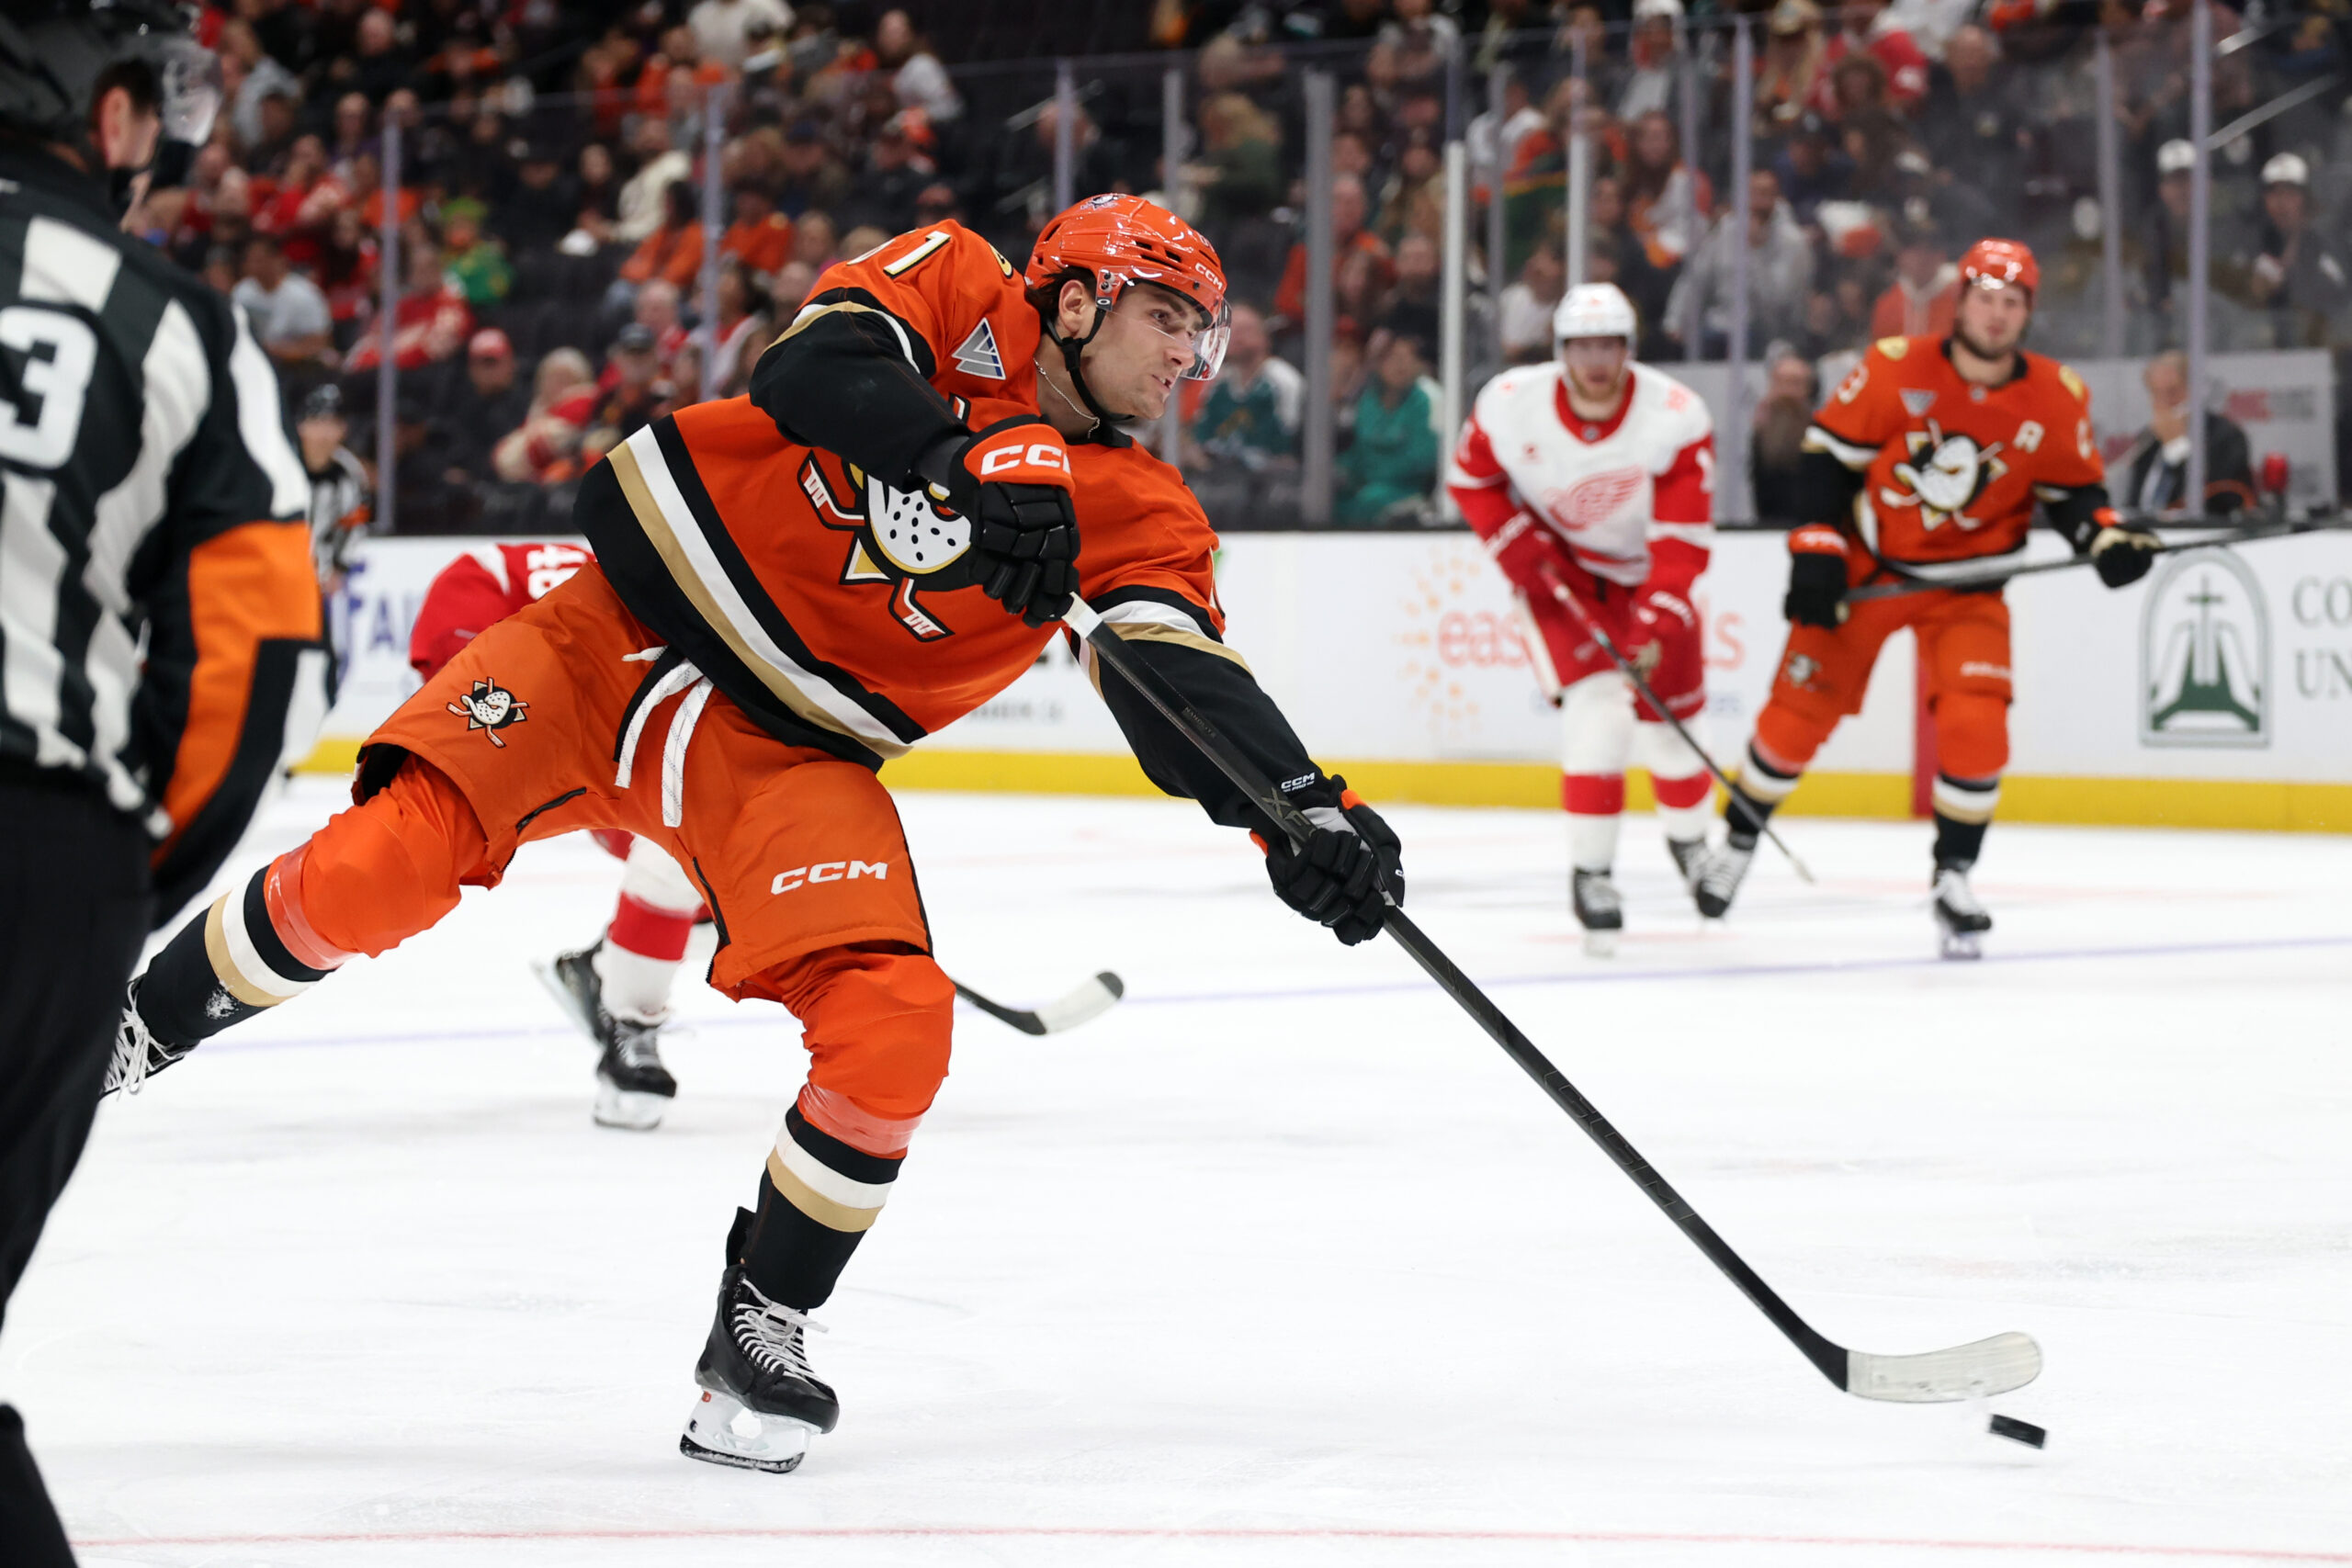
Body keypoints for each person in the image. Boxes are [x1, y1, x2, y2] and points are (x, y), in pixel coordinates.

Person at [107, 196, 1405, 1479]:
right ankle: (123, 1035)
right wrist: (964, 457)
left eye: (1200, 332)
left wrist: (1299, 810)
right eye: (1167, 318)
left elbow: (1178, 682)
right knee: (375, 868)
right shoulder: (957, 276)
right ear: (1076, 300)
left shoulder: (1144, 511)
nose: (1188, 356)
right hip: (609, 638)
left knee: (895, 1020)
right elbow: (811, 368)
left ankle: (758, 1323)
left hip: (785, 755)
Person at [0, 8, 323, 1561]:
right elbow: (255, 659)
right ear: (113, 119)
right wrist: (113, 883)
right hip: (30, 851)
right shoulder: (167, 318)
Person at [1696, 240, 2162, 955]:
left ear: (2027, 312)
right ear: (1961, 302)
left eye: (2012, 303)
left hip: (1969, 585)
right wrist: (1817, 550)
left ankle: (1954, 875)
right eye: (1986, 298)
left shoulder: (2055, 393)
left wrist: (2105, 539)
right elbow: (1827, 458)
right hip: (1873, 568)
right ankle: (1735, 843)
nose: (1997, 314)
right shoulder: (1893, 367)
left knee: (1979, 724)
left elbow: (2075, 494)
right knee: (1795, 718)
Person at [1445, 284, 1716, 950]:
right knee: (1598, 716)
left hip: (1650, 578)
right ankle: (1591, 873)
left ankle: (1691, 844)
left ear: (1629, 349)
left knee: (1673, 727)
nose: (1596, 360)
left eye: (1608, 345)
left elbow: (1681, 540)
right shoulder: (1512, 402)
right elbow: (1471, 479)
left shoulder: (1676, 415)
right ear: (1561, 350)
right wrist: (1514, 542)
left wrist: (1656, 622)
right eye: (1582, 346)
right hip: (1561, 577)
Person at [2118, 351, 2257, 517]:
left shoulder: (2226, 437)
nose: (2164, 403)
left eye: (2172, 392)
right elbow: (2134, 504)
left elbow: (2218, 501)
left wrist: (2177, 448)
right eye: (2156, 394)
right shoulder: (2149, 440)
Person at [1337, 333, 1442, 525]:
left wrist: (1376, 472)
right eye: (1392, 357)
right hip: (1364, 486)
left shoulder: (1427, 399)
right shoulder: (1367, 400)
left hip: (1408, 490)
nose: (1400, 365)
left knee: (1371, 500)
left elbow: (1424, 456)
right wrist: (1342, 470)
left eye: (1407, 358)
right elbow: (1357, 450)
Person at [297, 383, 372, 594]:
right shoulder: (283, 466)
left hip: (319, 579)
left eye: (332, 424)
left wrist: (339, 567)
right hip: (278, 569)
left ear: (343, 429)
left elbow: (354, 524)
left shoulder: (349, 473)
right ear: (301, 427)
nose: (324, 434)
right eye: (316, 422)